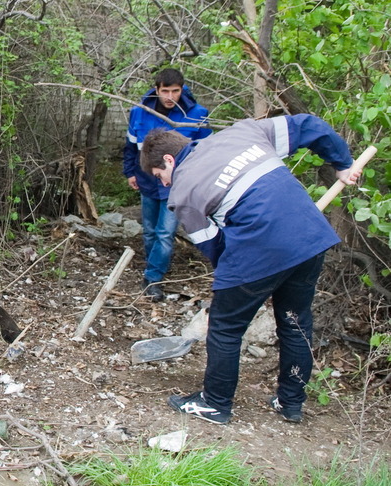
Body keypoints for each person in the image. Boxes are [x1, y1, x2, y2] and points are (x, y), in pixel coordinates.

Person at [140, 115, 362, 424]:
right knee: (295, 324)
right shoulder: (243, 132)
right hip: (308, 236)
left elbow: (215, 247)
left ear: (168, 159)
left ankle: (215, 404)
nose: (163, 183)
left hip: (260, 246)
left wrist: (227, 294)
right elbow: (310, 125)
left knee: (225, 328)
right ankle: (291, 403)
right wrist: (342, 163)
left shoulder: (183, 192)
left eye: (159, 175)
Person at [123, 68, 212, 302]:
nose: (170, 97)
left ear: (182, 89)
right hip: (147, 180)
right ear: (156, 89)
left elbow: (205, 152)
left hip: (178, 184)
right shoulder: (140, 112)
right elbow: (131, 145)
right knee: (150, 230)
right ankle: (153, 265)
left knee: (165, 232)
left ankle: (153, 278)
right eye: (165, 91)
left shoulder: (197, 114)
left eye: (175, 91)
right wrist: (130, 171)